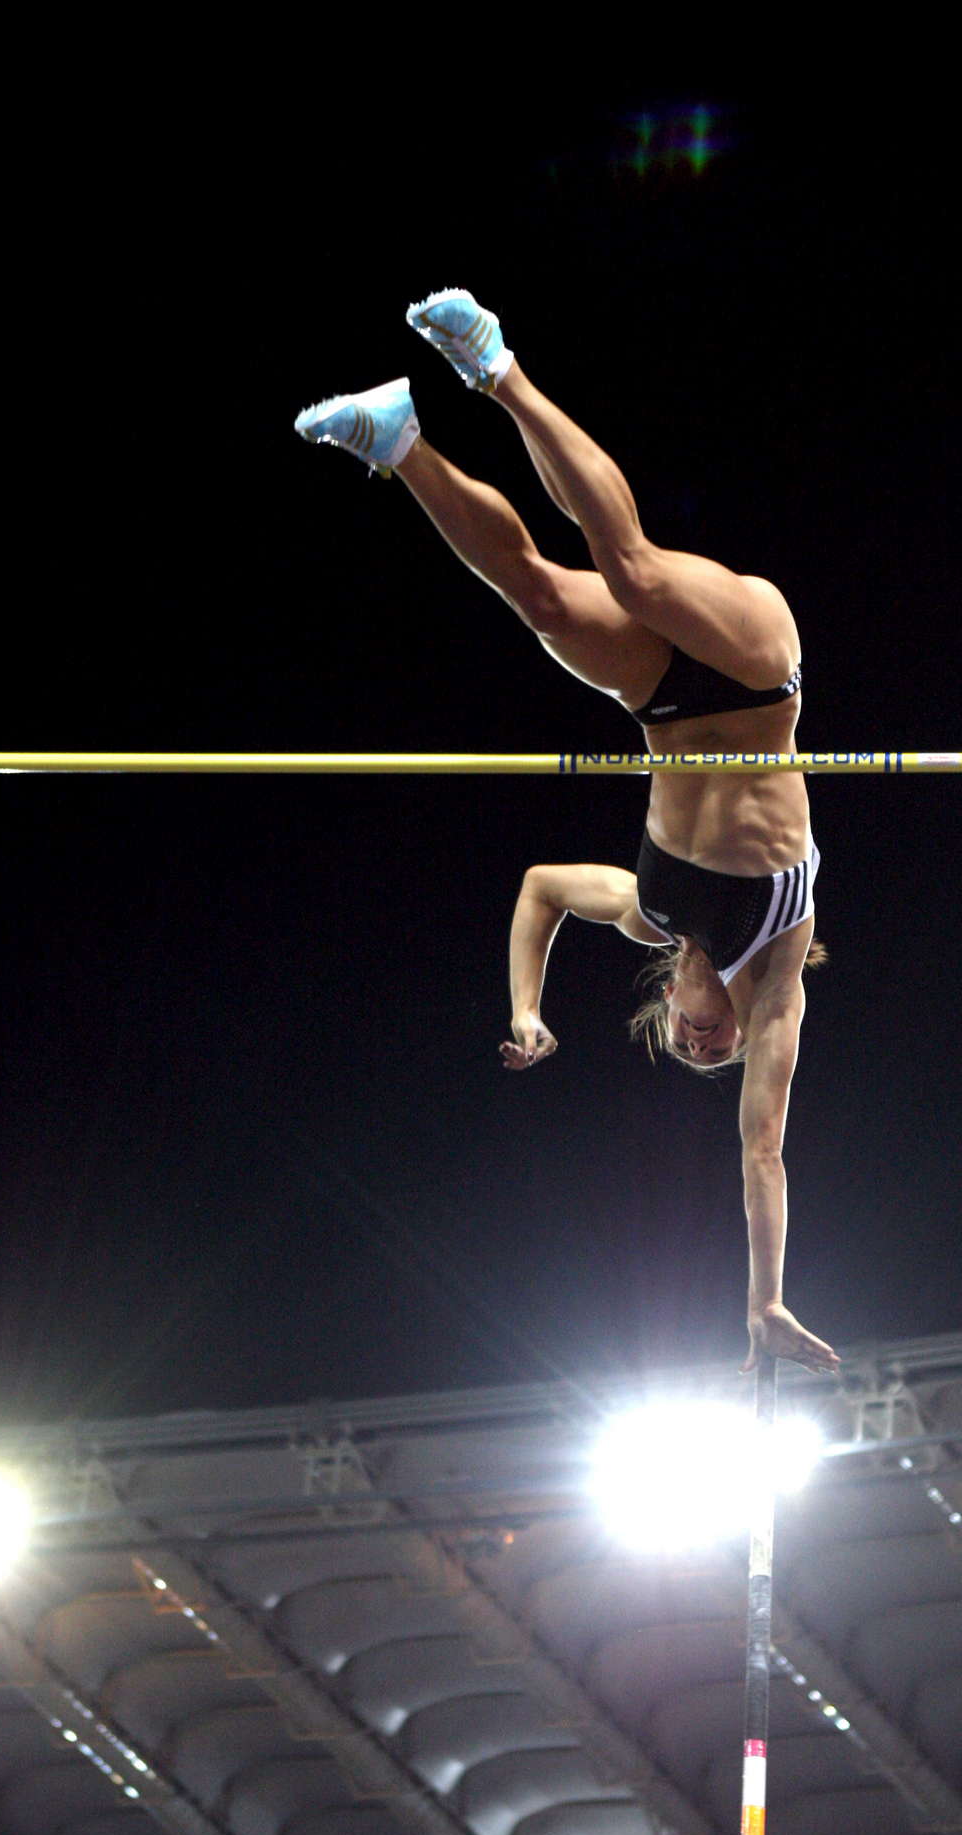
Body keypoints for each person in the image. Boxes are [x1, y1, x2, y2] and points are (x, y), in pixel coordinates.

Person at [296, 292, 838, 1376]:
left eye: (688, 1046)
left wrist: (527, 1008)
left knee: (539, 597)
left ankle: (397, 441)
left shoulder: (647, 912)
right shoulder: (779, 972)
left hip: (666, 706)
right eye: (717, 1050)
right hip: (753, 672)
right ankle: (495, 366)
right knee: (629, 566)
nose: (707, 1047)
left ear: (664, 1005)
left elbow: (542, 886)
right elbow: (763, 1152)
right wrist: (766, 1299)